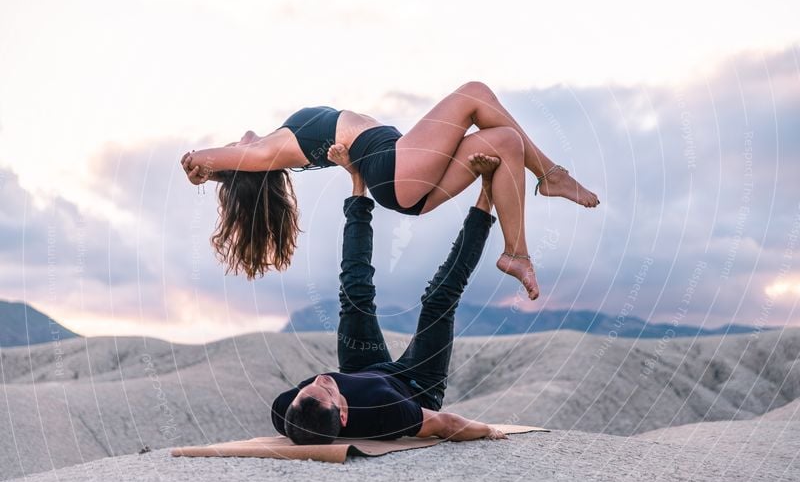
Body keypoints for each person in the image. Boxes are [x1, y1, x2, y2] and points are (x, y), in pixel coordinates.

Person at [180, 81, 600, 300]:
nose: (236, 142)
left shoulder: (278, 145)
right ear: (244, 163)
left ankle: (517, 253)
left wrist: (212, 171)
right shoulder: (268, 151)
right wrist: (201, 160)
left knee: (506, 141)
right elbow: (212, 158)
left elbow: (224, 161)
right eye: (233, 153)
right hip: (394, 168)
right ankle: (551, 175)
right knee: (474, 95)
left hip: (406, 183)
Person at [271, 163, 508, 444]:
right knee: (439, 299)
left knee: (354, 295)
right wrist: (487, 430)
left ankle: (358, 182)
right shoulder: (388, 412)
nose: (320, 379)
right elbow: (445, 424)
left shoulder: (286, 411)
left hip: (363, 370)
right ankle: (488, 191)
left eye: (307, 388)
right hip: (417, 383)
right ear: (344, 416)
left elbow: (307, 408)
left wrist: (323, 392)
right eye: (327, 391)